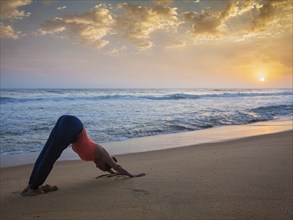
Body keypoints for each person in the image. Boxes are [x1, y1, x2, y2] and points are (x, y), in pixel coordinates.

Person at [21, 115, 145, 196]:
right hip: (73, 126)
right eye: (102, 168)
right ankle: (33, 188)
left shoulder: (98, 158)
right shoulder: (103, 153)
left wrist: (112, 172)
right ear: (105, 162)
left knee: (46, 152)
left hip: (66, 121)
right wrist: (132, 175)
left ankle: (31, 184)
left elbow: (113, 170)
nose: (98, 167)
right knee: (51, 156)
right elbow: (117, 167)